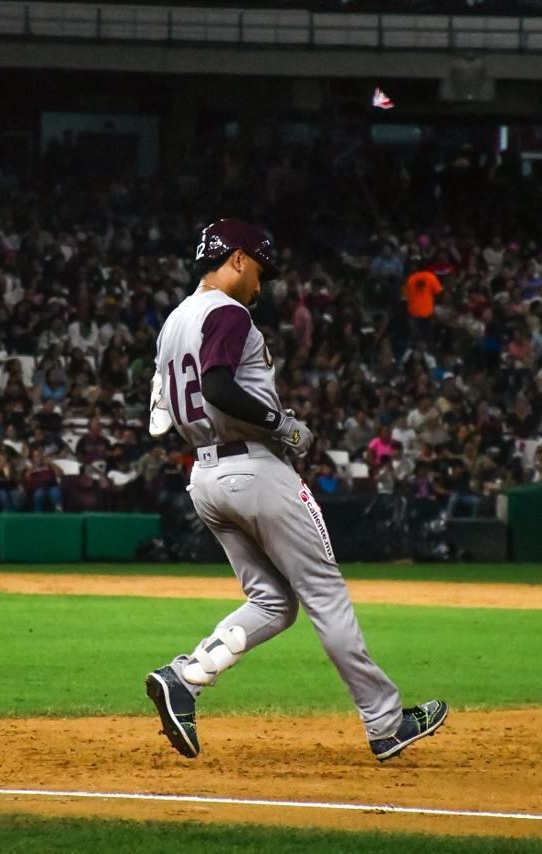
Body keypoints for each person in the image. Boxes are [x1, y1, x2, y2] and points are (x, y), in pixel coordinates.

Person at [143, 218, 446, 763]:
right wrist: (281, 423)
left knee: (272, 602)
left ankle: (184, 678)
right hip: (255, 469)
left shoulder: (172, 322)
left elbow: (160, 411)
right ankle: (385, 722)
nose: (261, 284)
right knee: (324, 594)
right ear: (236, 259)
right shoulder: (228, 312)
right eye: (258, 268)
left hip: (204, 477)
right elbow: (216, 385)